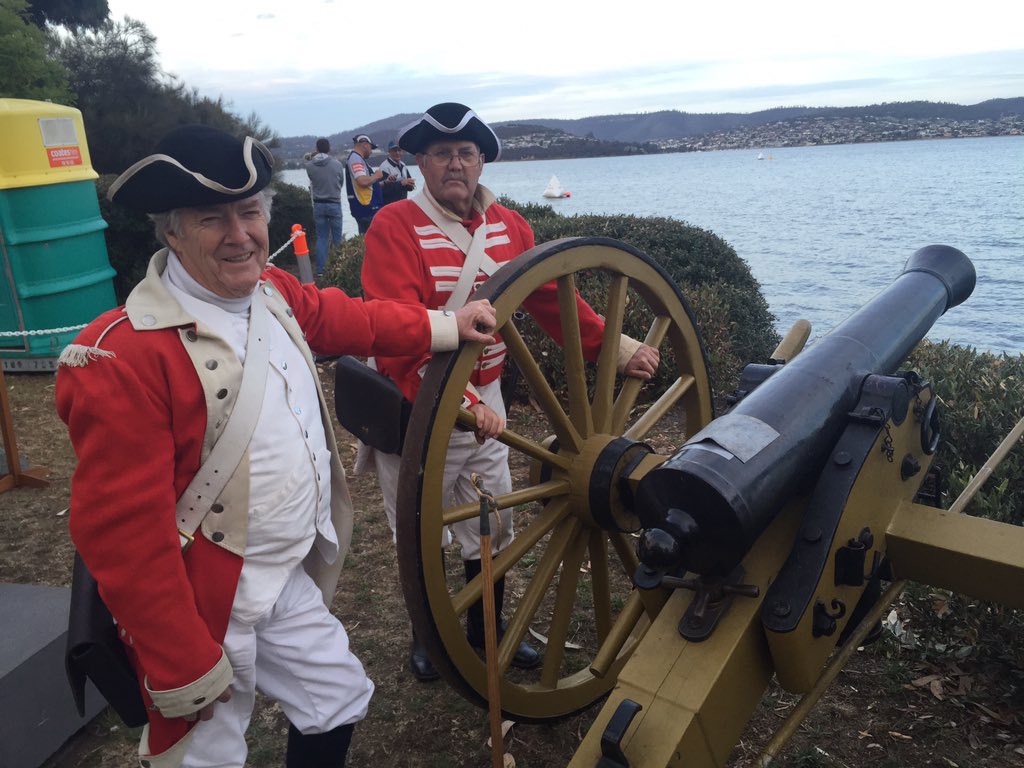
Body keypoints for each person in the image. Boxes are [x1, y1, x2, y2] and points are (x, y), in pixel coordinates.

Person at [54, 124, 497, 768]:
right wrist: (179, 660)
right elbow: (121, 533)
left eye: (250, 212)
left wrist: (444, 324)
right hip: (205, 594)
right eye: (212, 219)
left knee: (336, 696)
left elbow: (347, 317)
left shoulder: (274, 291)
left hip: (280, 573)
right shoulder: (119, 355)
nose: (240, 235)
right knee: (208, 754)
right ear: (171, 232)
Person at [360, 103, 660, 682]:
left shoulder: (511, 226)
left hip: (487, 391)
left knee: (491, 516)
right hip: (415, 400)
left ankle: (485, 631)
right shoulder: (395, 227)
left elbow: (553, 300)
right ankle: (429, 635)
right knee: (419, 524)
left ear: (481, 162)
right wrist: (459, 405)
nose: (455, 164)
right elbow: (395, 327)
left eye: (466, 153)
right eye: (443, 153)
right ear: (422, 163)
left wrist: (615, 346)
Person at [303, 137, 346, 276]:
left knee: (321, 238)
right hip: (334, 203)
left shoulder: (309, 166)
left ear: (316, 148)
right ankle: (339, 267)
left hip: (319, 205)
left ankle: (321, 270)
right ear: (329, 148)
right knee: (337, 238)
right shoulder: (337, 164)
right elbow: (341, 181)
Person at [345, 133, 384, 234]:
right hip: (367, 209)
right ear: (365, 145)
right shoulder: (355, 159)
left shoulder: (358, 159)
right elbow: (362, 181)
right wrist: (376, 176)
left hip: (367, 208)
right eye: (371, 147)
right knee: (374, 240)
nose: (371, 151)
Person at [378, 139, 415, 206]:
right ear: (389, 152)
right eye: (394, 151)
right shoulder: (384, 167)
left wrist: (410, 185)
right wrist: (401, 183)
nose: (397, 153)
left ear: (402, 152)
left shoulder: (403, 165)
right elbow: (383, 190)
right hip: (389, 205)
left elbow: (409, 186)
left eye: (399, 150)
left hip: (402, 203)